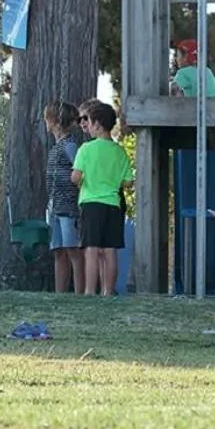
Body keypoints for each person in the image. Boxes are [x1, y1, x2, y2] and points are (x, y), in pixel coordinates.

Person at [71, 100, 131, 297]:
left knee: (91, 249)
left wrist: (83, 181)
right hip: (113, 204)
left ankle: (89, 290)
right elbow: (127, 182)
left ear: (97, 124)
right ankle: (108, 290)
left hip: (91, 203)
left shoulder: (86, 149)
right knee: (110, 249)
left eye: (88, 121)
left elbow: (76, 177)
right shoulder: (120, 152)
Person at [42, 101, 85, 293]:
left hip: (68, 205)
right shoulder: (55, 147)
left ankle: (80, 290)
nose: (45, 122)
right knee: (58, 249)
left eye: (47, 119)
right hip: (55, 205)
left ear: (55, 122)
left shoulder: (69, 145)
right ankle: (60, 292)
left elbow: (79, 168)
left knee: (72, 249)